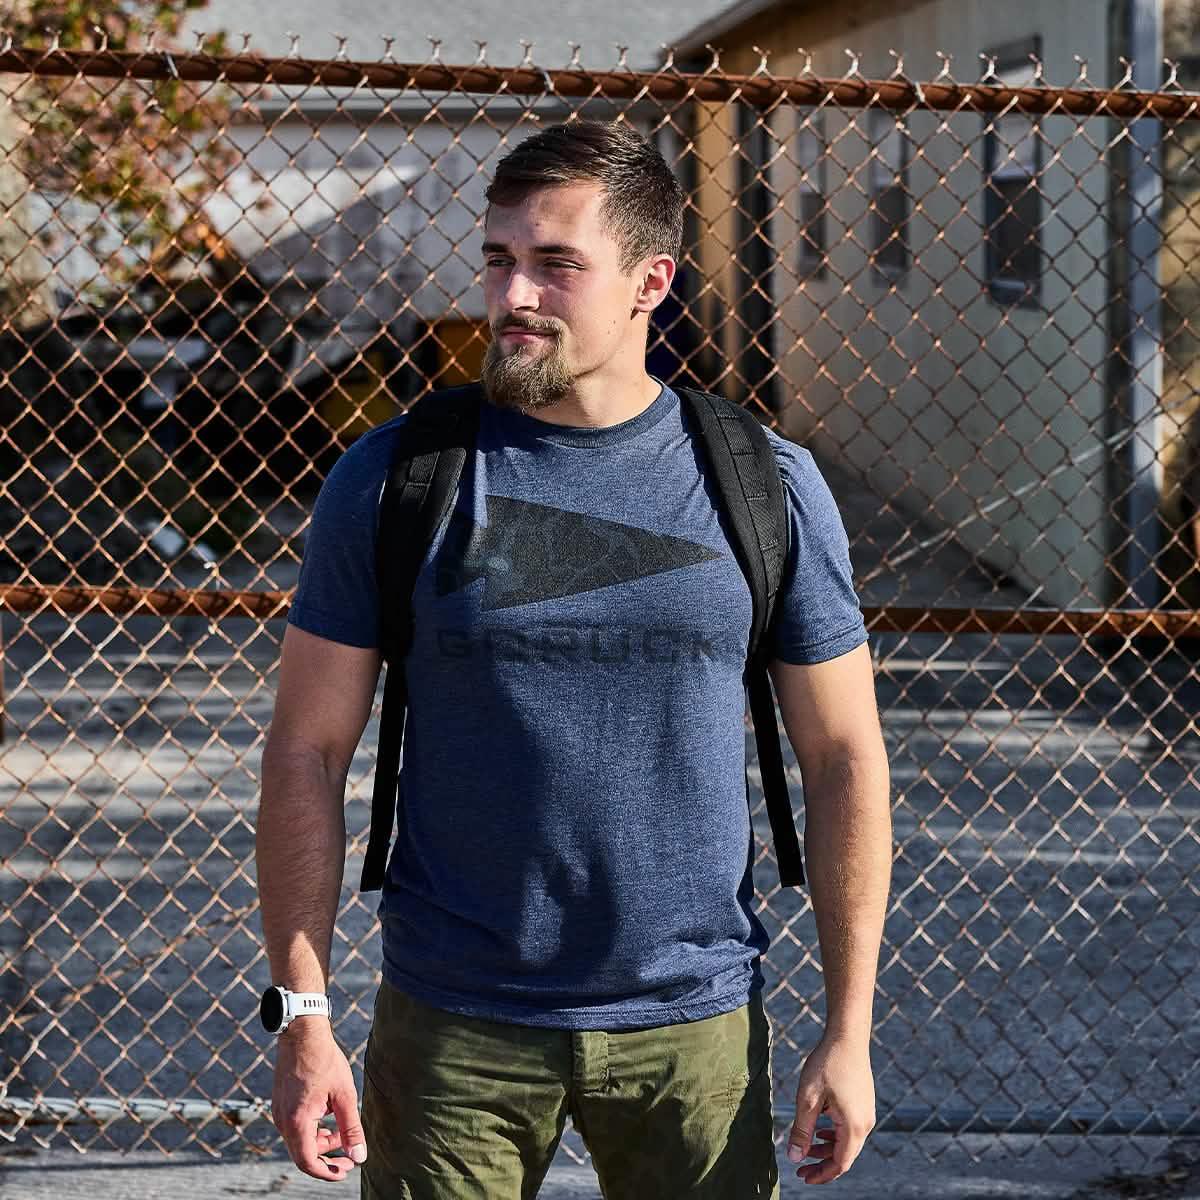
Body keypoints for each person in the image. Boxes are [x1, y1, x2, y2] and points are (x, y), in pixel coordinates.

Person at [256, 119, 892, 1199]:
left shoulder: (763, 484)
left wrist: (848, 1030)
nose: (513, 297)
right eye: (500, 260)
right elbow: (305, 755)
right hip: (456, 1025)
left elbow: (845, 760)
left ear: (651, 280)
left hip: (693, 1028)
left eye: (557, 266)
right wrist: (305, 1017)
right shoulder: (396, 477)